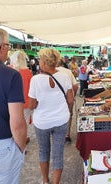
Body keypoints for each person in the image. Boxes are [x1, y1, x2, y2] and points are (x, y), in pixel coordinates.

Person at [0, 26, 27, 183]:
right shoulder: (10, 75)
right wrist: (20, 148)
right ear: (2, 47)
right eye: (8, 46)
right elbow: (17, 122)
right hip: (0, 145)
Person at [28, 48, 74, 184]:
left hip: (42, 122)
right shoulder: (65, 76)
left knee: (43, 151)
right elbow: (70, 100)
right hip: (61, 120)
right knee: (58, 153)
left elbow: (31, 105)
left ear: (44, 62)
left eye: (40, 59)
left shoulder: (35, 80)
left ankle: (45, 180)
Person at [10, 50, 33, 145]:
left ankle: (13, 139)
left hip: (11, 103)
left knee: (12, 121)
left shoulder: (8, 69)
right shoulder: (28, 72)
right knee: (24, 123)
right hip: (25, 102)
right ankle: (22, 140)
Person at [57, 58, 79, 143]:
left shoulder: (48, 72)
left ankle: (58, 135)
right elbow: (76, 86)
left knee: (57, 115)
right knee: (69, 115)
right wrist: (73, 95)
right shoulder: (68, 71)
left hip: (56, 100)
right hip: (68, 98)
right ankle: (67, 135)